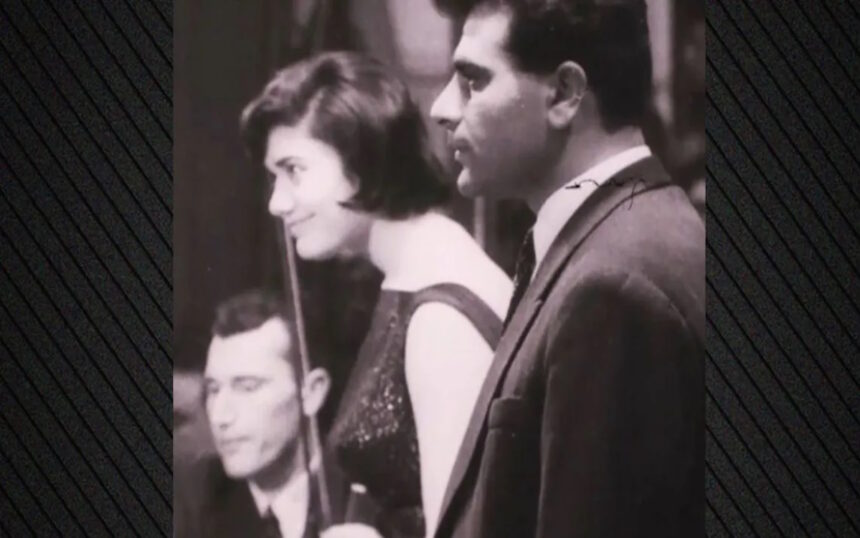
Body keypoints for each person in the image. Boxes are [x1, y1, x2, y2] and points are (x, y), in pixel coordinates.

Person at [428, 1, 705, 537]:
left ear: (564, 93)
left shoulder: (611, 286)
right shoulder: (626, 237)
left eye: (473, 81)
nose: (442, 108)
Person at [239, 52, 513, 538]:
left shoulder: (441, 315)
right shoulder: (416, 274)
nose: (276, 203)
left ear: (362, 161)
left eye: (294, 170)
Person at [174, 290, 346, 538]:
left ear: (312, 393)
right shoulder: (191, 501)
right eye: (213, 389)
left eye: (247, 387)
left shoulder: (372, 505)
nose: (220, 416)